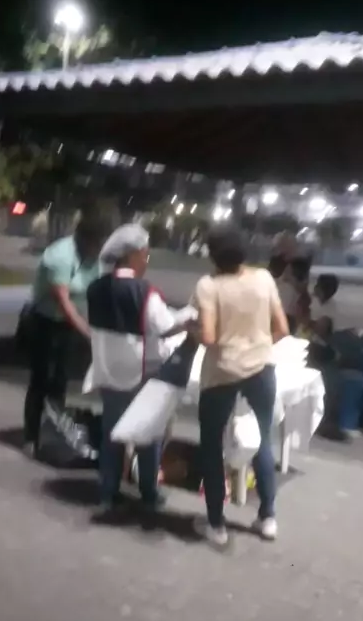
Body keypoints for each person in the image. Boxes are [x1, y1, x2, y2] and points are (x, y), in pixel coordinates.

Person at [86, 223, 191, 524]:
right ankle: (148, 493)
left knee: (112, 434)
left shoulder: (96, 288)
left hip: (107, 369)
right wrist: (187, 320)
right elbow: (165, 326)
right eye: (145, 255)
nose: (146, 261)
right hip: (140, 373)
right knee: (148, 433)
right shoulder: (145, 291)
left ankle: (108, 492)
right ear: (132, 255)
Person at [193, 225, 289, 547]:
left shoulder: (209, 285)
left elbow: (208, 337)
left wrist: (192, 329)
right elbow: (282, 328)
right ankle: (268, 517)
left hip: (221, 373)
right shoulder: (264, 278)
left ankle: (216, 525)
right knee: (262, 440)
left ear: (212, 255)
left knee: (211, 446)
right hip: (261, 370)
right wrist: (256, 347)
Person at [23, 210, 105, 456]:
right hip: (44, 322)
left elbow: (94, 294)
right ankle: (31, 437)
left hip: (68, 325)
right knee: (40, 380)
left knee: (60, 381)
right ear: (86, 239)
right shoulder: (60, 256)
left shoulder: (94, 259)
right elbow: (63, 301)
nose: (100, 249)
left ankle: (52, 434)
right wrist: (88, 333)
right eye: (98, 243)